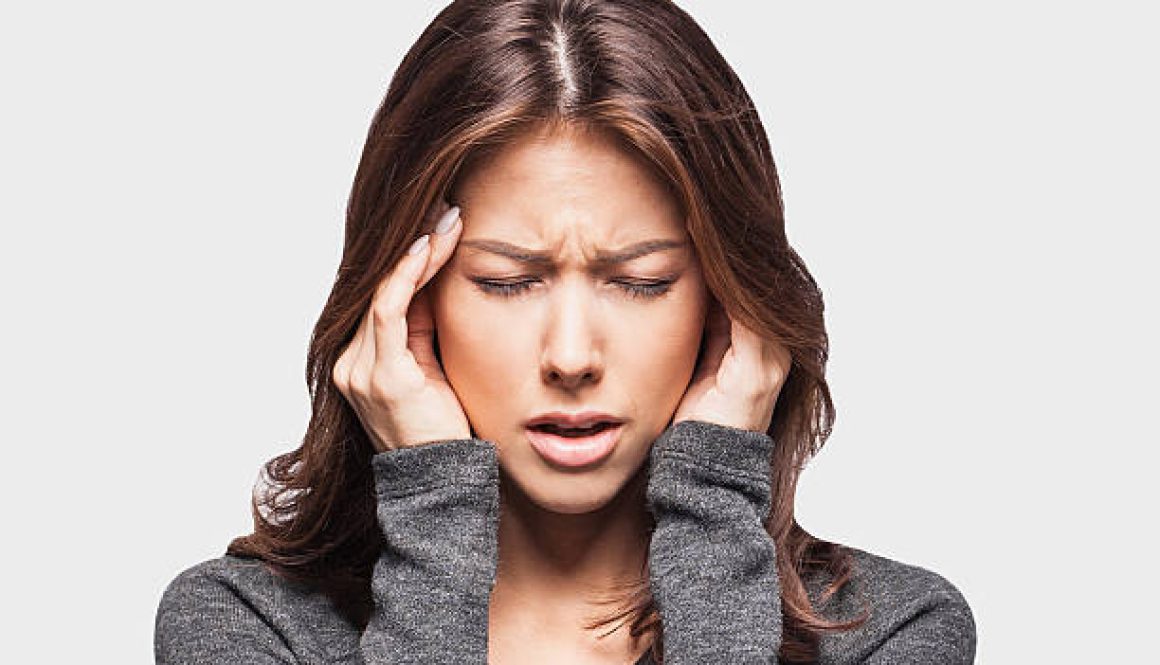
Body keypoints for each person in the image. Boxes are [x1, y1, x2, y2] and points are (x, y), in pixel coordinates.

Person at [154, 1, 977, 663]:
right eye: (507, 280)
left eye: (641, 280)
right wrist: (435, 510)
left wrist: (712, 509)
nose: (573, 356)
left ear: (730, 303)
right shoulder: (246, 628)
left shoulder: (890, 633)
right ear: (407, 297)